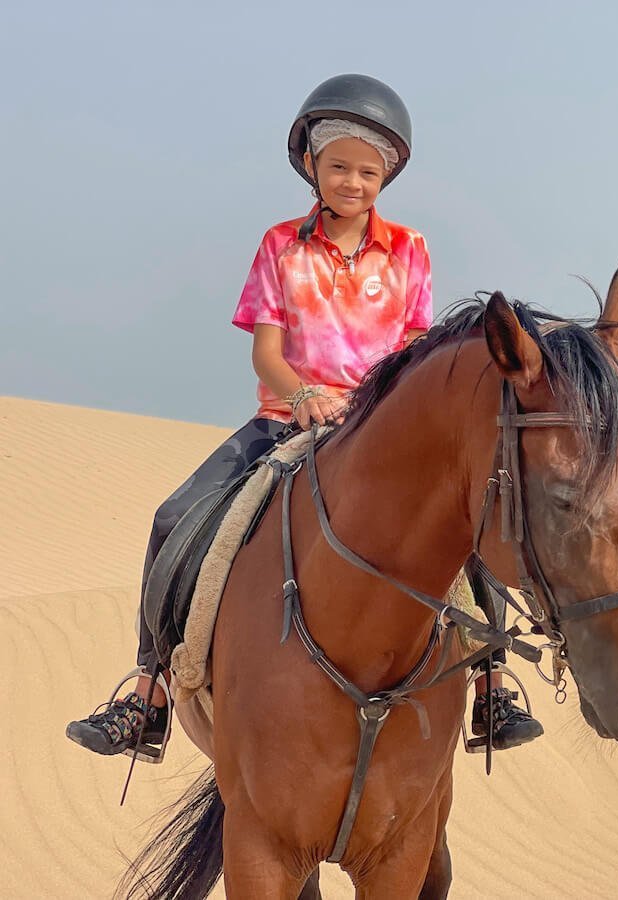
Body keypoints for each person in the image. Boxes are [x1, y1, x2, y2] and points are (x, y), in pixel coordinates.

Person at [66, 74, 543, 760]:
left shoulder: (410, 249)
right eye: (341, 166)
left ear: (387, 177)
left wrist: (380, 405)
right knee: (175, 515)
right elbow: (266, 351)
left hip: (380, 428)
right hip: (287, 419)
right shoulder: (280, 244)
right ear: (312, 166)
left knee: (468, 518)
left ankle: (492, 684)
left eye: (369, 172)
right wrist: (302, 396)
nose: (354, 182)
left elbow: (413, 349)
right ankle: (150, 692)